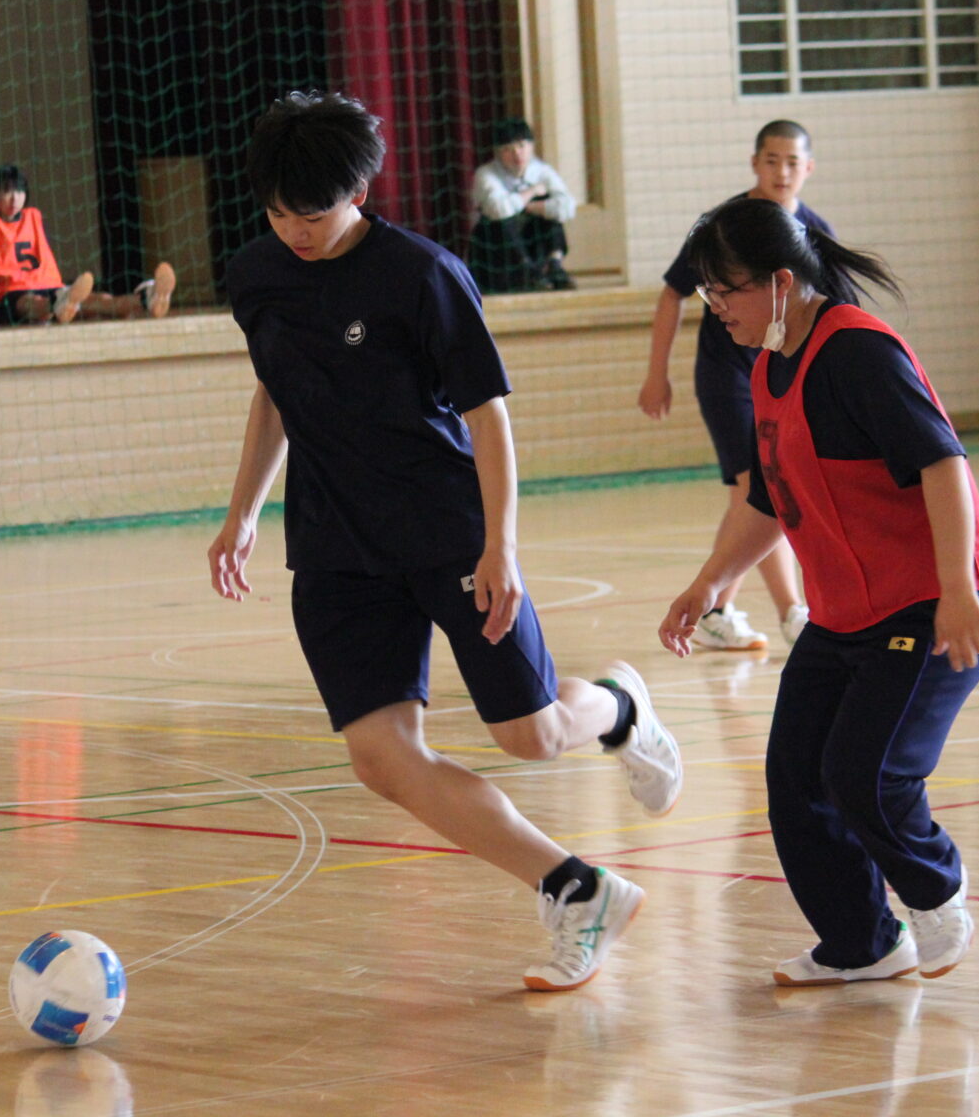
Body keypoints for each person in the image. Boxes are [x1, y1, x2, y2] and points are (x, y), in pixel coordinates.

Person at [208, 91, 683, 991]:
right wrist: (245, 510)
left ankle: (621, 708)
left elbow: (488, 417)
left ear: (355, 189)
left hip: (447, 537)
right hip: (336, 549)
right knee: (382, 757)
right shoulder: (256, 274)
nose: (294, 232)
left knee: (531, 736)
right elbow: (275, 390)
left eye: (311, 215)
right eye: (277, 215)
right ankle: (575, 890)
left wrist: (500, 544)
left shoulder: (420, 274)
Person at [658, 196, 979, 986]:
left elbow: (944, 465)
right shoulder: (771, 363)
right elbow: (770, 496)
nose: (717, 310)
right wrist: (711, 581)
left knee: (866, 774)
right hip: (846, 613)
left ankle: (936, 889)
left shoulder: (858, 354)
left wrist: (957, 590)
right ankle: (862, 943)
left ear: (783, 283)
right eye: (707, 295)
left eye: (727, 292)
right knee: (795, 780)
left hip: (928, 602)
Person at [639, 120, 824, 652]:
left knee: (755, 492)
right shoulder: (725, 228)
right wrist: (657, 373)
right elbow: (673, 294)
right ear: (754, 163)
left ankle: (719, 609)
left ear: (808, 168)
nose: (781, 171)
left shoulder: (813, 230)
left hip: (781, 376)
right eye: (772, 160)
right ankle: (792, 613)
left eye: (792, 162)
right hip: (729, 377)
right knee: (758, 487)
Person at [0, 164, 173, 325]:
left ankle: (146, 300)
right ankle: (59, 305)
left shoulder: (34, 217)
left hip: (50, 286)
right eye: (6, 191)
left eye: (19, 191)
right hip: (10, 294)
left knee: (99, 300)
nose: (14, 198)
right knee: (30, 303)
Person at [467, 118, 577, 293]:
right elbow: (498, 210)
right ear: (497, 153)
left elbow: (567, 208)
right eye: (507, 149)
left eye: (521, 146)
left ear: (531, 146)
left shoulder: (542, 171)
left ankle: (554, 266)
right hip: (497, 253)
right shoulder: (486, 174)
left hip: (533, 242)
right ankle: (529, 273)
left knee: (550, 212)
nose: (517, 154)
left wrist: (532, 207)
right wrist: (531, 192)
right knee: (502, 219)